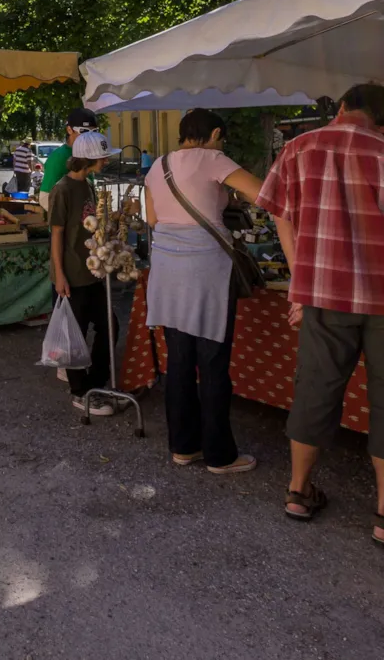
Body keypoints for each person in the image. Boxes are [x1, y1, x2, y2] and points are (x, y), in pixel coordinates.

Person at [256, 83, 384, 537]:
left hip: (323, 295)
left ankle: (298, 491)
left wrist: (299, 277)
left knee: (314, 391)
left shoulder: (298, 147)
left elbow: (277, 212)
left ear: (343, 106)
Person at [143, 108, 262, 474]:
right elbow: (263, 192)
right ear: (213, 134)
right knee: (211, 362)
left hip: (166, 270)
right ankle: (219, 455)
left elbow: (152, 219)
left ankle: (183, 446)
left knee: (179, 360)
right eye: (221, 138)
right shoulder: (213, 158)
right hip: (205, 271)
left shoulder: (157, 165)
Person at [49, 131, 116, 416]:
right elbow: (56, 235)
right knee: (73, 335)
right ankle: (80, 392)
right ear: (88, 158)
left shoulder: (88, 185)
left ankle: (95, 383)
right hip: (72, 273)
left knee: (109, 325)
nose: (105, 160)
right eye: (102, 156)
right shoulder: (62, 189)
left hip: (92, 272)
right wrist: (60, 275)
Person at [39, 109, 100, 216]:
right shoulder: (58, 158)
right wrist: (75, 219)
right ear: (69, 130)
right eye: (84, 131)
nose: (90, 136)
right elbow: (45, 199)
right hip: (68, 230)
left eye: (94, 132)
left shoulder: (87, 153)